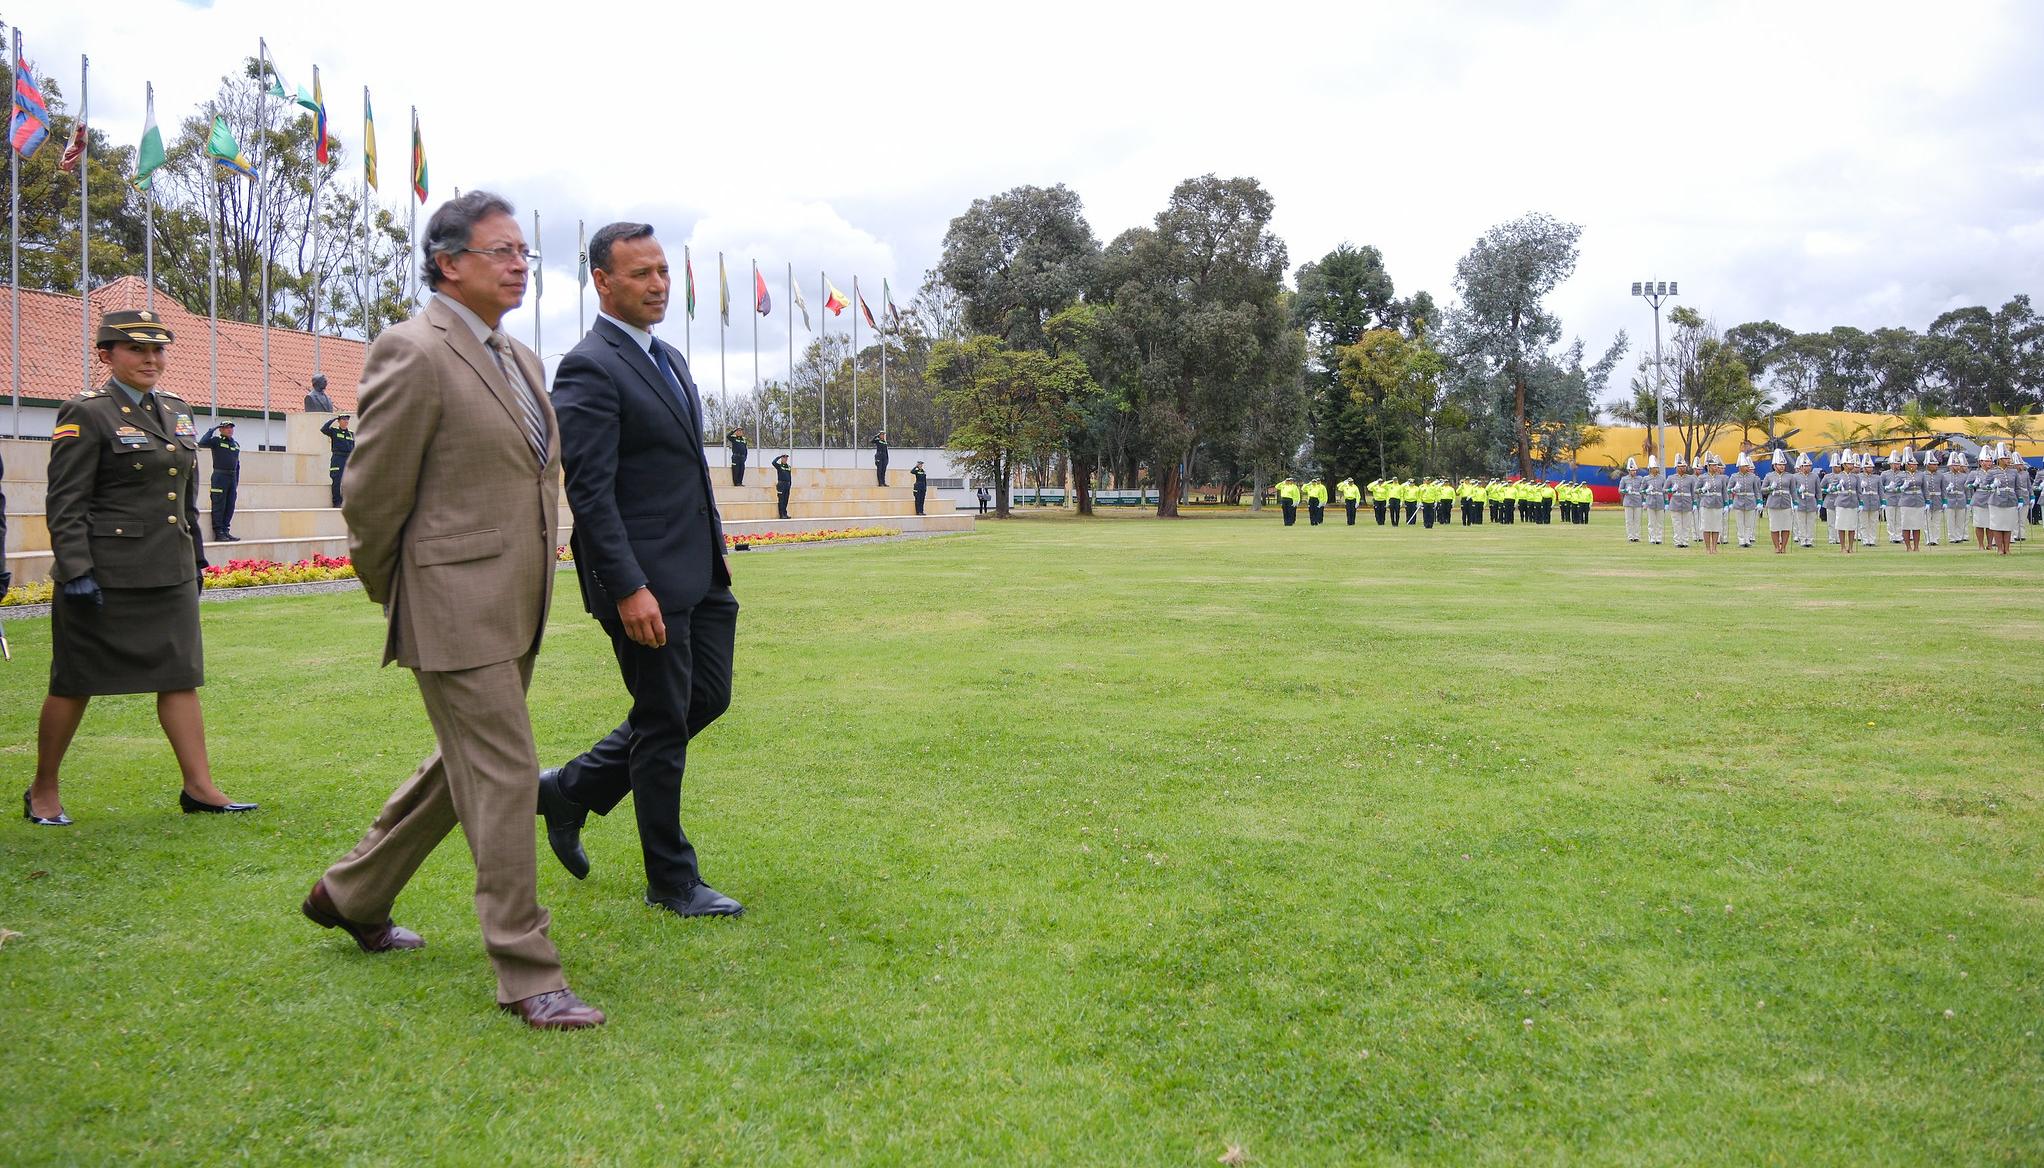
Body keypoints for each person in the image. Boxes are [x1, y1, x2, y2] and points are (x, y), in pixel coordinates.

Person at [300, 191, 603, 1031]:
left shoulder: (521, 357)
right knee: (505, 774)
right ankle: (527, 969)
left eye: (523, 253)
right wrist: (402, 591)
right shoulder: (413, 350)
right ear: (448, 263)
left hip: (517, 602)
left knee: (461, 768)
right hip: (451, 604)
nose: (519, 266)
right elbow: (372, 494)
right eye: (501, 251)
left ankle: (350, 894)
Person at [535, 218, 745, 928]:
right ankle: (671, 880)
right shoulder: (589, 366)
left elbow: (682, 469)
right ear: (602, 281)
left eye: (663, 271)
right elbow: (590, 492)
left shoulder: (670, 358)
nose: (659, 285)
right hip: (643, 583)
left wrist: (716, 544)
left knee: (704, 698)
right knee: (661, 722)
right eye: (641, 274)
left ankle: (571, 789)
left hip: (699, 572)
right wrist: (627, 587)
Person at [26, 309, 255, 827]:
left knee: (180, 677)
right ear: (106, 355)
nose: (151, 359)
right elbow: (65, 501)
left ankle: (199, 787)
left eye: (158, 350)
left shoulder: (177, 409)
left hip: (169, 568)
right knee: (74, 680)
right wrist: (76, 568)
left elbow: (185, 494)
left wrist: (195, 557)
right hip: (105, 574)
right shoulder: (87, 412)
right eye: (137, 349)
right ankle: (43, 788)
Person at [198, 419, 242, 541]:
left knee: (230, 505)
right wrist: (212, 430)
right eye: (227, 427)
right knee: (219, 504)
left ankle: (226, 530)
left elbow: (237, 464)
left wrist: (236, 481)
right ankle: (219, 532)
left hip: (232, 478)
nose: (230, 430)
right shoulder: (216, 441)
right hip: (219, 477)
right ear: (221, 430)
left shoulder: (235, 444)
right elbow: (202, 443)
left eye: (231, 427)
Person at [1825, 453, 1860, 554]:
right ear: (1844, 465)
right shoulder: (1838, 476)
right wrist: (1837, 487)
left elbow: (1859, 491)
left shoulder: (1856, 477)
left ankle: (1851, 547)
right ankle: (1843, 547)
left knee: (1852, 526)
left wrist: (1860, 502)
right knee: (1841, 525)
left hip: (1853, 502)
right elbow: (1831, 489)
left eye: (1852, 464)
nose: (1851, 465)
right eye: (1849, 464)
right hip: (1841, 502)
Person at [1761, 449, 1794, 553]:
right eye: (1780, 464)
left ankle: (1783, 547)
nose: (1782, 466)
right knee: (1774, 526)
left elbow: (1793, 491)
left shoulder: (1790, 476)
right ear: (1774, 465)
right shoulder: (1769, 476)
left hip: (1786, 503)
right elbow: (1763, 490)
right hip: (1773, 503)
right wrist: (1770, 488)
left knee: (1786, 526)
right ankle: (1776, 547)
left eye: (1783, 464)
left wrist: (1795, 503)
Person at [320, 413, 355, 508]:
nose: (346, 421)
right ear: (339, 421)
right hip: (338, 458)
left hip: (348, 459)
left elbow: (354, 448)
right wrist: (333, 419)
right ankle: (337, 502)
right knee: (337, 481)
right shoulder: (334, 431)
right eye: (343, 419)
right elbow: (323, 429)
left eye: (347, 419)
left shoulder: (351, 434)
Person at [773, 454, 793, 519]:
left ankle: (785, 513)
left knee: (786, 500)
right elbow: (773, 462)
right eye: (784, 458)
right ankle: (782, 514)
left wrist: (790, 484)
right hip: (781, 484)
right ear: (782, 459)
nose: (785, 459)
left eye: (786, 458)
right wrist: (779, 457)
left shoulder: (788, 467)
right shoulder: (779, 466)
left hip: (787, 484)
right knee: (781, 499)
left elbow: (789, 476)